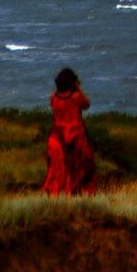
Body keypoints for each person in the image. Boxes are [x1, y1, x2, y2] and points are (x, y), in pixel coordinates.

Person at [43, 67, 96, 196]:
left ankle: (56, 194)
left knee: (57, 169)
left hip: (57, 136)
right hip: (75, 135)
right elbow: (87, 104)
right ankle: (76, 193)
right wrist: (78, 88)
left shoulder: (53, 98)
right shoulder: (76, 97)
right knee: (82, 167)